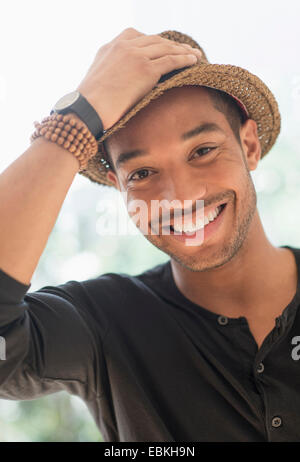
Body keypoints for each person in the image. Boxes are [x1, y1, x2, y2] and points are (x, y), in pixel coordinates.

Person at [0, 27, 299, 442]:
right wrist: (76, 122)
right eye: (141, 173)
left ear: (248, 145)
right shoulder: (104, 325)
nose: (181, 197)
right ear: (118, 185)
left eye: (202, 150)